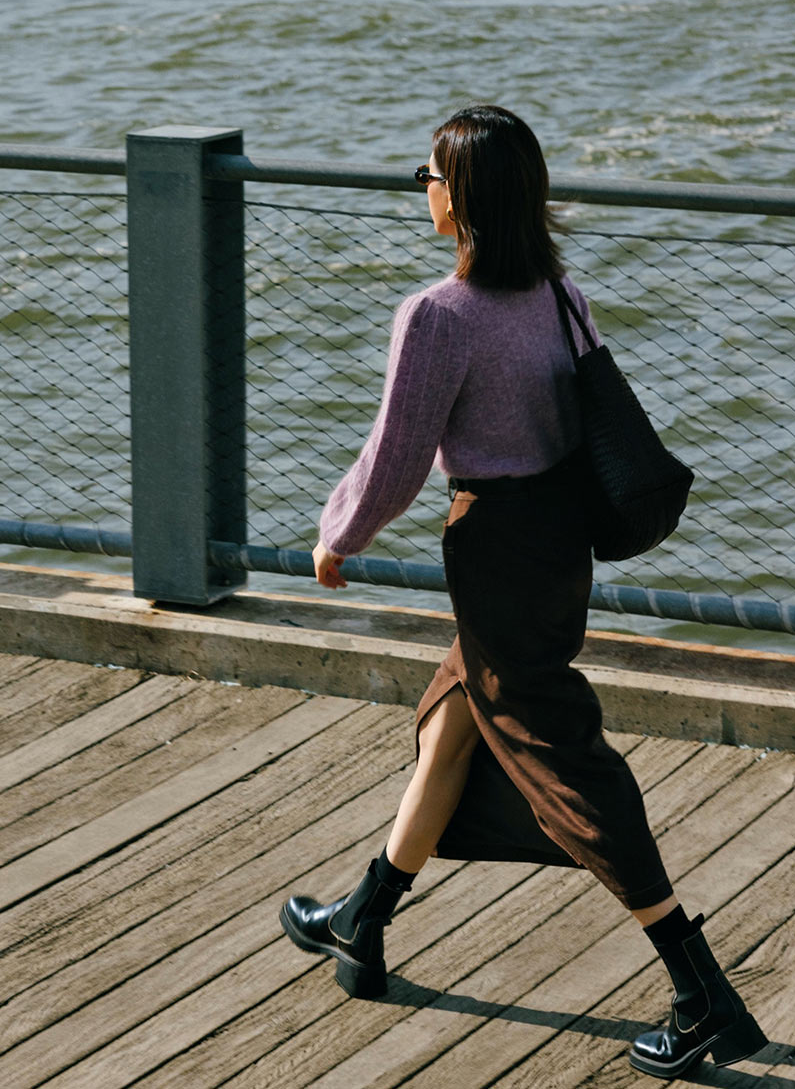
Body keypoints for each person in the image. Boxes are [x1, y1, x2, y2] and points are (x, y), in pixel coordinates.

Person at [279, 105, 767, 1078]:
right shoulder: (559, 295)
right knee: (454, 716)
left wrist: (336, 538)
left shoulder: (436, 315)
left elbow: (395, 459)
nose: (419, 186)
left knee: (563, 766)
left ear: (460, 195)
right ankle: (362, 919)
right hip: (559, 545)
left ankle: (701, 994)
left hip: (497, 545)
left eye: (426, 172)